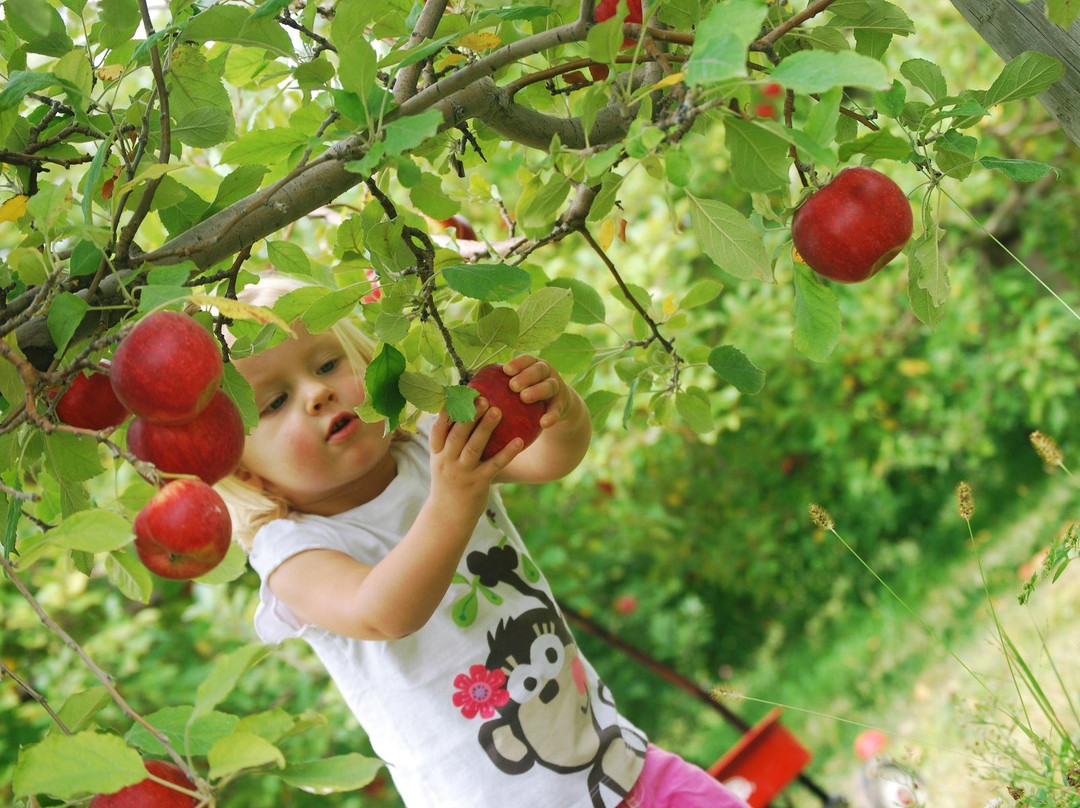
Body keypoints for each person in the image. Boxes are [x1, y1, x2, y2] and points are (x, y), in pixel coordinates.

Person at [217, 276, 749, 808]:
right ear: (241, 469)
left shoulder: (431, 447)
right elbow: (382, 613)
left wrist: (560, 412)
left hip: (617, 761)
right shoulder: (290, 550)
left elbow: (547, 460)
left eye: (328, 364)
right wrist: (452, 501)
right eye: (275, 402)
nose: (317, 394)